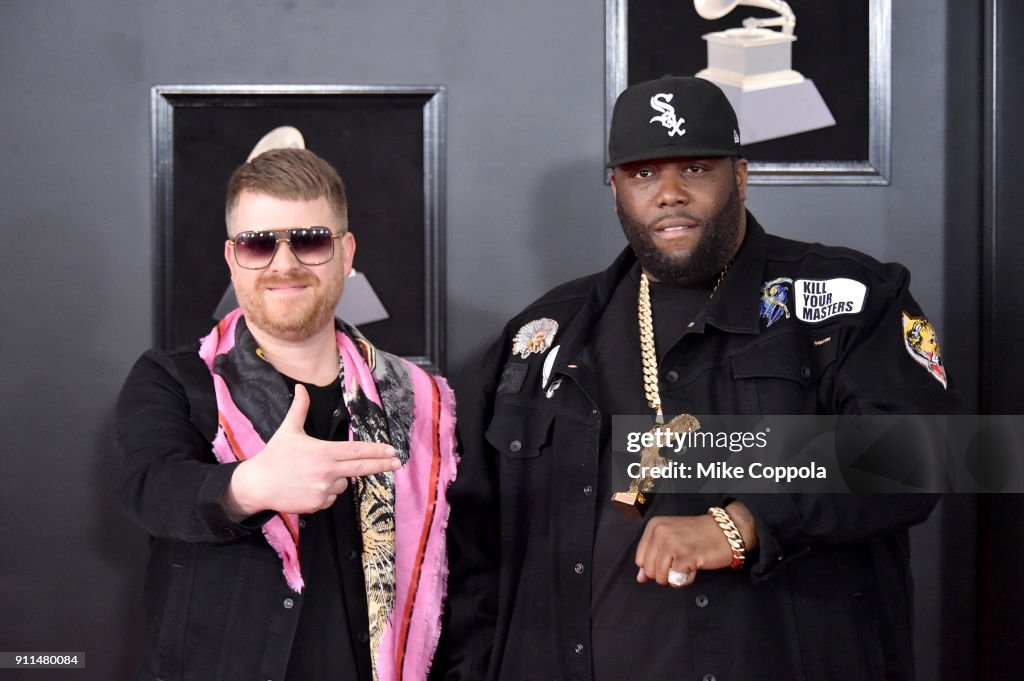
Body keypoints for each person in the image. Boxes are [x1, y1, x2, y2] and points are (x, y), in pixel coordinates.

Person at [435, 77, 955, 681]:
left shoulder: (844, 298)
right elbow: (475, 556)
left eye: (696, 168)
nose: (670, 194)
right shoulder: (546, 334)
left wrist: (747, 521)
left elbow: (926, 450)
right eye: (644, 175)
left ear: (739, 176)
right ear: (616, 190)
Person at [117, 148, 457, 681]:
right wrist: (250, 486)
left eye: (310, 240)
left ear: (346, 253)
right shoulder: (176, 379)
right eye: (258, 244)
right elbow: (151, 490)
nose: (284, 264)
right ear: (233, 259)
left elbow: (468, 569)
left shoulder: (421, 400)